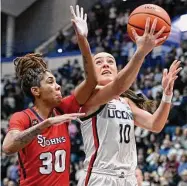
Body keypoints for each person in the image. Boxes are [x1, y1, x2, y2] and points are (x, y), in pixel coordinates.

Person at [69, 6, 182, 186]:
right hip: (101, 176)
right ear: (91, 71)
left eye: (110, 61)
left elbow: (155, 125)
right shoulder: (89, 98)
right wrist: (142, 52)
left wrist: (167, 96)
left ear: (117, 70)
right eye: (99, 62)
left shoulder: (125, 102)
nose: (105, 64)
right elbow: (118, 86)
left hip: (128, 177)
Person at [2, 6, 97, 186]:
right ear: (36, 91)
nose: (58, 85)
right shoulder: (23, 117)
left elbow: (92, 81)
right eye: (51, 82)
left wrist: (82, 40)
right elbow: (8, 147)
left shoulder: (63, 109)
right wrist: (44, 125)